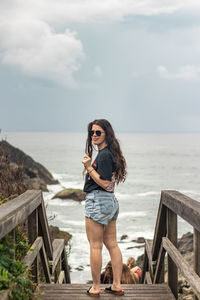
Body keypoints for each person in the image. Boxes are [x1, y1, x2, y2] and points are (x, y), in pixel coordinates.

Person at [82, 119, 127, 297]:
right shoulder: (109, 154)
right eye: (92, 132)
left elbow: (105, 183)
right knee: (112, 244)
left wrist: (88, 167)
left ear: (106, 133)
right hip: (109, 202)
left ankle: (95, 287)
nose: (94, 135)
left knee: (95, 246)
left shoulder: (105, 155)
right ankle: (116, 285)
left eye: (98, 132)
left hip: (98, 201)